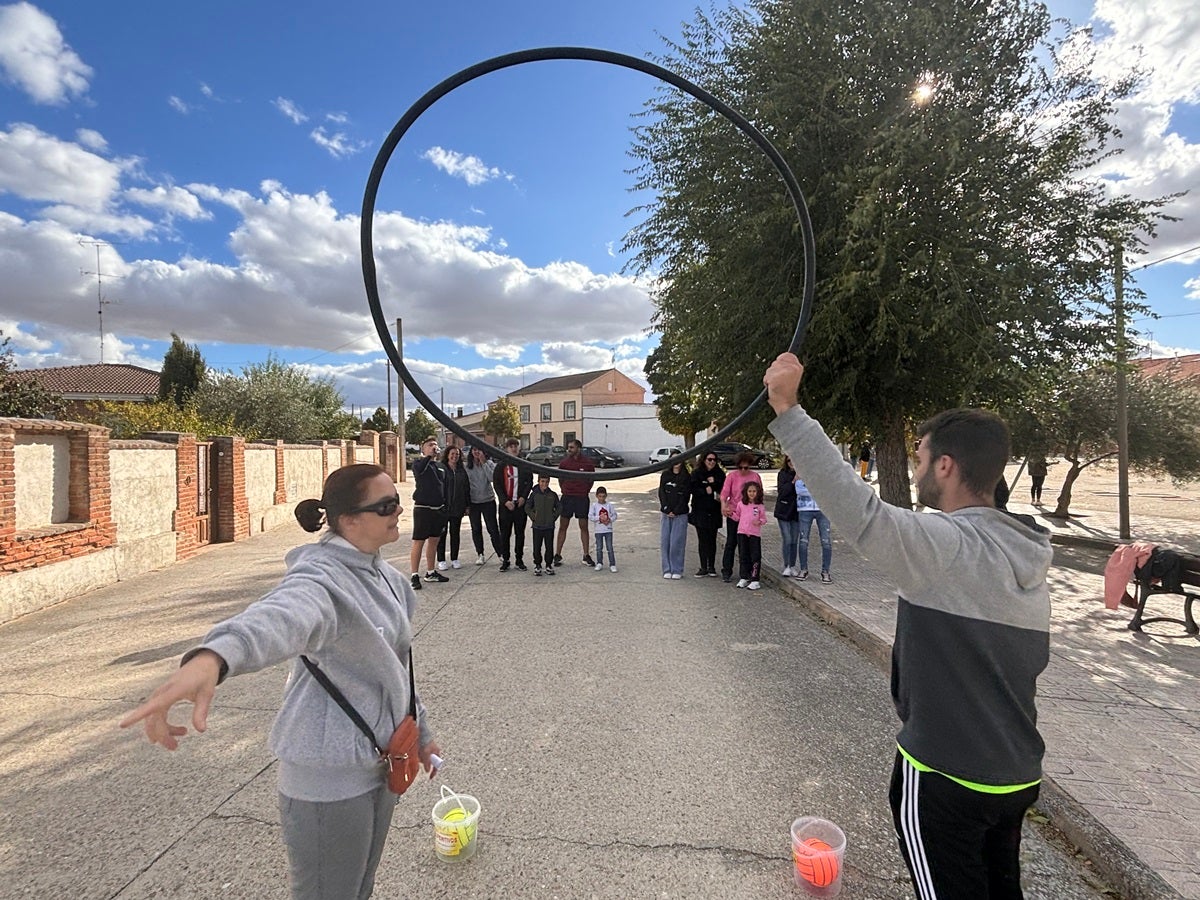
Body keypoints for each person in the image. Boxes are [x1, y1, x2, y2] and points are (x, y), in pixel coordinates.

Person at [763, 352, 1051, 900]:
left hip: (946, 774)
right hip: (1016, 773)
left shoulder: (947, 545)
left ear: (945, 466)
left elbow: (861, 513)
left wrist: (788, 408)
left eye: (919, 458)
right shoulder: (1028, 555)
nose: (914, 470)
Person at [120, 463, 441, 900]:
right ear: (347, 520)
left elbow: (398, 668)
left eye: (396, 502)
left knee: (359, 886)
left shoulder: (388, 577)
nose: (398, 511)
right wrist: (215, 657)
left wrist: (421, 733)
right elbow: (282, 615)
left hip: (381, 763)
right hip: (328, 778)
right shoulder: (322, 580)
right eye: (386, 505)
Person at [409, 437, 449, 590]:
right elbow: (419, 472)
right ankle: (414, 575)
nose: (434, 447)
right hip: (423, 509)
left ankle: (430, 572)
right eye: (430, 445)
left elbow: (443, 487)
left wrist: (445, 506)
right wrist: (428, 457)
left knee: (434, 541)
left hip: (438, 510)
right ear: (423, 449)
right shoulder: (419, 464)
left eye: (435, 445)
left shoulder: (439, 467)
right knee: (419, 541)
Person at [719, 451, 762, 583]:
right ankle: (726, 570)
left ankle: (748, 572)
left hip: (749, 516)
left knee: (748, 545)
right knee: (732, 542)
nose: (743, 470)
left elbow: (760, 496)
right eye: (741, 467)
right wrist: (723, 506)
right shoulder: (732, 476)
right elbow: (724, 493)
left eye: (746, 467)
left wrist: (759, 515)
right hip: (734, 513)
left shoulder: (755, 477)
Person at [554, 439, 596, 567]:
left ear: (578, 448)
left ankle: (586, 555)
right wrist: (565, 490)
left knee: (583, 526)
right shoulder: (564, 463)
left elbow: (591, 480)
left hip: (581, 498)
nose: (569, 450)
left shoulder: (587, 463)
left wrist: (584, 491)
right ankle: (558, 555)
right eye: (568, 447)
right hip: (567, 498)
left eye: (572, 447)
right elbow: (561, 479)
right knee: (563, 526)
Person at [493, 437, 532, 572]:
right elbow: (497, 485)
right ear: (506, 449)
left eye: (516, 446)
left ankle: (519, 560)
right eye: (511, 446)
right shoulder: (501, 465)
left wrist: (523, 497)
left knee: (520, 534)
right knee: (505, 534)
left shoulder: (524, 464)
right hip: (506, 506)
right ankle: (506, 560)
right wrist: (505, 501)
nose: (514, 448)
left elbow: (529, 481)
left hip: (519, 505)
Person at [689, 451, 725, 577]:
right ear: (704, 460)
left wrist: (713, 483)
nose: (712, 462)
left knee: (712, 539)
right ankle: (703, 566)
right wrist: (705, 489)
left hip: (714, 510)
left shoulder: (719, 473)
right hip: (700, 510)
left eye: (714, 460)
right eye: (709, 459)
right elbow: (692, 489)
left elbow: (723, 490)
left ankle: (711, 567)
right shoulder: (697, 473)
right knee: (702, 539)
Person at [465, 446, 503, 565]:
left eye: (479, 449)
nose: (477, 452)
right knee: (476, 529)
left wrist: (484, 463)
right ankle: (480, 554)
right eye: (474, 450)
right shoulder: (467, 466)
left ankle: (500, 553)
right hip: (474, 502)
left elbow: (492, 478)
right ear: (471, 452)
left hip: (488, 500)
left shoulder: (490, 463)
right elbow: (465, 485)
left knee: (493, 528)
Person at [436, 445, 469, 570]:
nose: (455, 456)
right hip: (444, 507)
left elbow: (466, 488)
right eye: (452, 454)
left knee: (455, 534)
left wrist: (467, 505)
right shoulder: (441, 468)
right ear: (447, 455)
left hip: (458, 507)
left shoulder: (461, 470)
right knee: (442, 534)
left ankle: (455, 558)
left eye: (457, 454)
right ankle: (441, 559)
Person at [795, 476, 833, 583]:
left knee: (826, 541)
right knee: (803, 540)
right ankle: (803, 569)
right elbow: (799, 490)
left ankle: (825, 571)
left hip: (823, 510)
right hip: (805, 509)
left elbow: (830, 491)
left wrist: (812, 489)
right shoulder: (801, 474)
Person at [658, 454, 690, 578]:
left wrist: (676, 511)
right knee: (665, 541)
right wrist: (667, 509)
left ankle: (677, 569)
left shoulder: (686, 477)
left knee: (677, 542)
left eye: (679, 459)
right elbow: (662, 492)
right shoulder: (665, 475)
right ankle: (667, 569)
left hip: (680, 514)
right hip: (666, 513)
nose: (677, 462)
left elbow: (685, 496)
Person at [733, 480, 767, 590]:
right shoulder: (741, 504)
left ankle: (755, 579)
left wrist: (760, 522)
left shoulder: (760, 506)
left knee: (755, 556)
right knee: (743, 555)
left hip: (754, 534)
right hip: (742, 533)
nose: (752, 493)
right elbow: (737, 517)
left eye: (754, 491)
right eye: (750, 491)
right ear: (746, 492)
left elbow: (764, 519)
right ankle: (744, 577)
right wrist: (729, 513)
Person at [526, 473, 560, 576]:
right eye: (542, 481)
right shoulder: (534, 495)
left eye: (546, 482)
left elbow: (559, 507)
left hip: (549, 526)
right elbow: (527, 507)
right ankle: (537, 565)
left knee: (549, 547)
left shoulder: (552, 495)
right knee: (537, 547)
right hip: (537, 526)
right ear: (538, 482)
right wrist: (533, 516)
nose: (544, 484)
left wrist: (553, 517)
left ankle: (548, 565)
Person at [774, 456, 800, 576]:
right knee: (787, 538)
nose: (791, 463)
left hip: (797, 511)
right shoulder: (782, 474)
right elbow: (782, 491)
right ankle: (786, 565)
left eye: (794, 460)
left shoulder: (802, 474)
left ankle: (792, 565)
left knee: (794, 540)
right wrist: (793, 482)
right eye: (789, 460)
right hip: (784, 510)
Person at [588, 485, 619, 572]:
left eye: (603, 496)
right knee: (599, 547)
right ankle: (599, 563)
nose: (601, 498)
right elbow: (590, 516)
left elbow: (615, 515)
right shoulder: (594, 506)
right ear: (597, 496)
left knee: (609, 547)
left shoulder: (609, 505)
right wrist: (599, 518)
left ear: (606, 496)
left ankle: (612, 564)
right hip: (598, 530)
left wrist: (609, 519)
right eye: (600, 496)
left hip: (608, 530)